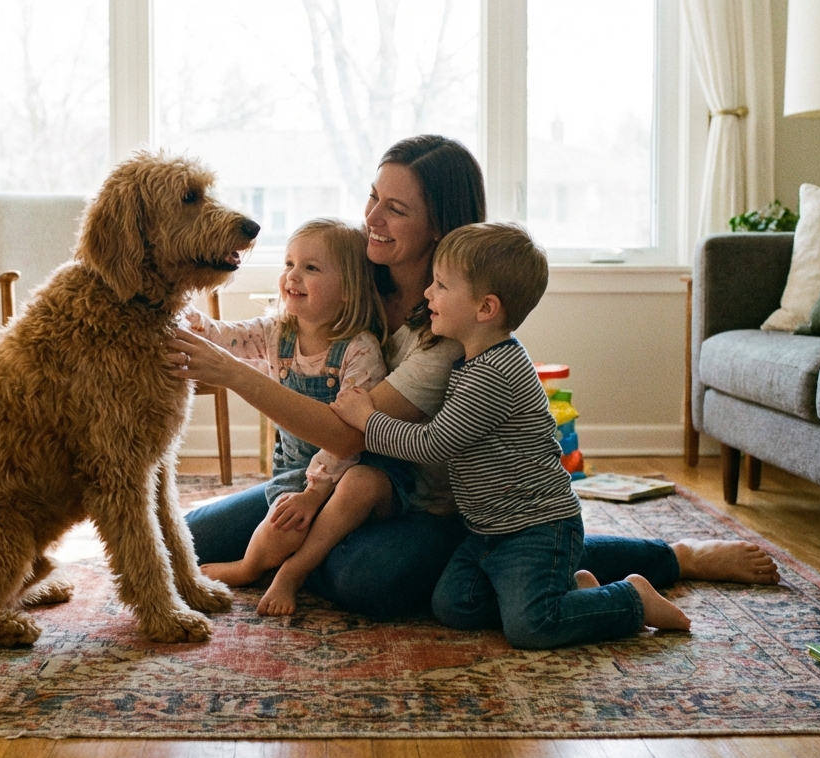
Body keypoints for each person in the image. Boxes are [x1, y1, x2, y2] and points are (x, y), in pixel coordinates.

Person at [169, 134, 779, 620]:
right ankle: (304, 557)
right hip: (319, 480)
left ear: (438, 229)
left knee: (364, 579)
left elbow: (349, 434)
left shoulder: (445, 336)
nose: (372, 219)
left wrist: (230, 374)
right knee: (189, 538)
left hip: (420, 502)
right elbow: (273, 338)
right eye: (373, 197)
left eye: (396, 209)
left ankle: (671, 557)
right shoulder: (351, 276)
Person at [331, 222, 690, 647]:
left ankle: (632, 599)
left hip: (536, 528)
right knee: (453, 607)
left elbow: (431, 444)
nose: (428, 294)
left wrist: (365, 417)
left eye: (441, 286)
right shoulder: (473, 362)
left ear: (486, 308)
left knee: (531, 627)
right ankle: (573, 592)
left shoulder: (496, 373)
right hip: (487, 530)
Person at [181, 218, 411, 615]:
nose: (293, 276)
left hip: (350, 472)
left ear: (347, 290)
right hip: (296, 472)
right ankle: (257, 563)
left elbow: (350, 440)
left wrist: (314, 494)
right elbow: (225, 336)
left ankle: (285, 571)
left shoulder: (360, 351)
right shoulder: (276, 330)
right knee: (224, 535)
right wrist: (194, 322)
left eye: (311, 268)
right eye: (289, 264)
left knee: (357, 485)